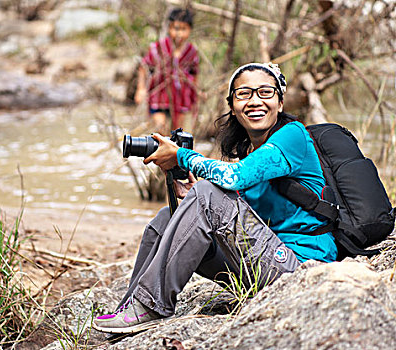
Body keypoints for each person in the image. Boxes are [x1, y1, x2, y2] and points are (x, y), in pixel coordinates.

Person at [93, 62, 337, 334]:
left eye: (266, 92)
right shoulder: (253, 154)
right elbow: (237, 214)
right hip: (262, 266)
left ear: (280, 102)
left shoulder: (293, 135)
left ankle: (151, 306)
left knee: (207, 194)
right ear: (232, 106)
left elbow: (234, 178)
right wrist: (190, 198)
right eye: (244, 94)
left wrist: (181, 156)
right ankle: (131, 307)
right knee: (167, 217)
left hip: (300, 268)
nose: (255, 100)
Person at [134, 8, 199, 135]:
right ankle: (161, 150)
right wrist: (140, 89)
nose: (179, 33)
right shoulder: (159, 47)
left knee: (178, 132)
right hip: (159, 94)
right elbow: (144, 66)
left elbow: (194, 73)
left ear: (190, 30)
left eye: (183, 29)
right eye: (176, 28)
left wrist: (195, 94)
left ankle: (174, 154)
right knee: (160, 127)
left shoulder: (191, 51)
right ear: (169, 28)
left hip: (181, 97)